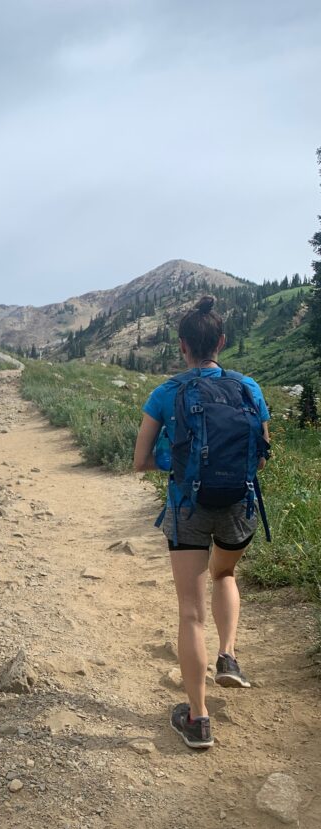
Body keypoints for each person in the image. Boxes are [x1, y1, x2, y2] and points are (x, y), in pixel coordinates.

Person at [133, 296, 270, 750]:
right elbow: (262, 458)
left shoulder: (166, 393)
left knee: (190, 612)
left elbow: (141, 461)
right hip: (237, 503)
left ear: (182, 346)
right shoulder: (248, 387)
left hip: (187, 507)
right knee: (226, 573)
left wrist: (180, 462)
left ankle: (198, 719)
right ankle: (228, 656)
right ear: (222, 342)